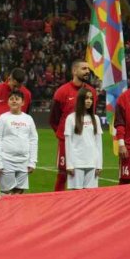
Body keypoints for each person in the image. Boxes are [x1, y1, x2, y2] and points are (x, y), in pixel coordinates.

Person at [0, 67, 32, 195]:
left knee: (18, 183)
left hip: (17, 146)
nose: (17, 89)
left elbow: (25, 117)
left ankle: (14, 206)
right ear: (9, 78)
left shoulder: (26, 94)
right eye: (15, 85)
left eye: (20, 86)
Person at [50, 60, 97, 192]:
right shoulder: (62, 91)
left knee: (86, 173)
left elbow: (92, 115)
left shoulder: (92, 92)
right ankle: (57, 202)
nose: (87, 71)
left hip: (84, 141)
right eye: (84, 69)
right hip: (66, 140)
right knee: (63, 174)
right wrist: (63, 134)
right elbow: (54, 118)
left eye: (88, 69)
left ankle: (83, 202)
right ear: (74, 71)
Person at [0, 91, 38, 195]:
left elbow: (33, 140)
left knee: (19, 191)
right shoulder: (3, 118)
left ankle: (17, 207)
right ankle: (4, 206)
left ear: (23, 102)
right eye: (11, 99)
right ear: (8, 102)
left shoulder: (28, 119)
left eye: (17, 99)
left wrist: (32, 161)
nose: (14, 101)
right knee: (6, 192)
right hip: (6, 160)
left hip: (24, 161)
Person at [64, 86, 103, 190]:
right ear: (80, 100)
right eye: (86, 98)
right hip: (77, 163)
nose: (89, 101)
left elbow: (98, 143)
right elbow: (68, 143)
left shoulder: (96, 119)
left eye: (91, 98)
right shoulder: (71, 118)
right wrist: (69, 165)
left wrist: (99, 165)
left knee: (90, 196)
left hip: (92, 163)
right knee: (76, 196)